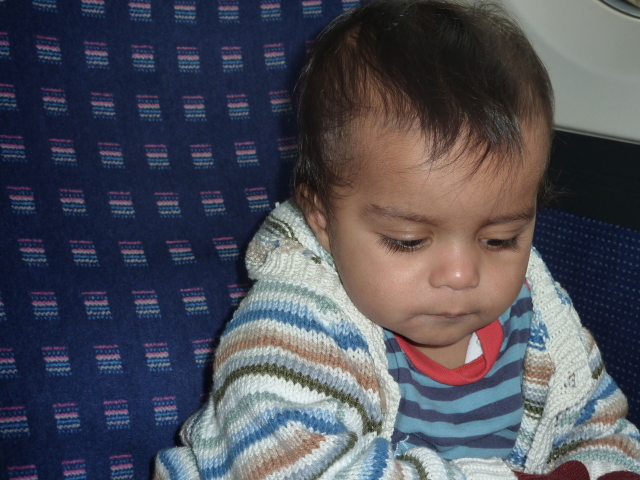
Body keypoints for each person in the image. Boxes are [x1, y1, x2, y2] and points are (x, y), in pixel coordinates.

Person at [154, 1, 640, 478]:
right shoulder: (289, 330)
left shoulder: (543, 324)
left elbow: (603, 432)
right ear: (321, 216)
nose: (460, 274)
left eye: (500, 240)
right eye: (408, 241)